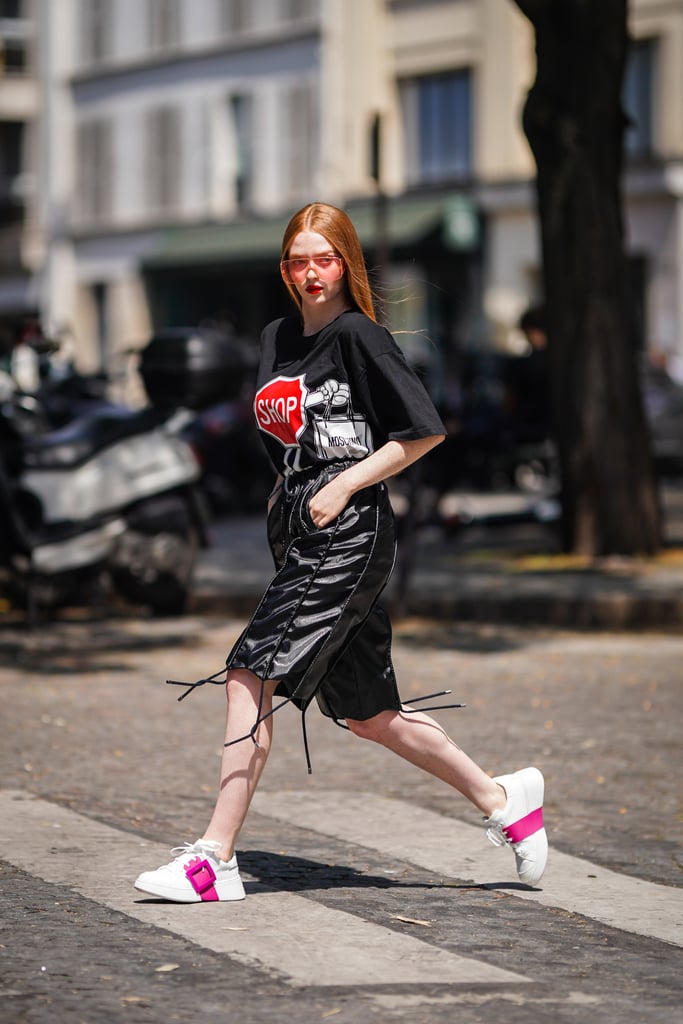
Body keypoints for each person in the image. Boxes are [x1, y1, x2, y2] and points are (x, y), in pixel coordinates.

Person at [134, 203, 548, 903]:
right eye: (296, 260)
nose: (308, 273)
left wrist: (345, 485)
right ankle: (504, 799)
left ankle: (214, 861)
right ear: (284, 269)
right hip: (299, 531)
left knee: (249, 673)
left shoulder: (359, 336)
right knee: (365, 712)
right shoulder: (276, 338)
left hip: (348, 531)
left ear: (344, 263)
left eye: (322, 259)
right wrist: (281, 493)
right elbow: (286, 435)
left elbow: (421, 431)